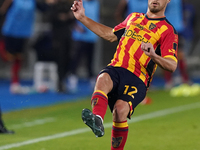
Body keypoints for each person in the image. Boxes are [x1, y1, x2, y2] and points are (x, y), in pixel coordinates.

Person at [71, 0, 178, 149]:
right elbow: (110, 35)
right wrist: (82, 17)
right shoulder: (133, 17)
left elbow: (172, 65)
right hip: (117, 67)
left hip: (138, 78)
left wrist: (153, 55)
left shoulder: (168, 30)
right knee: (102, 79)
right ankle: (97, 119)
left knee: (119, 111)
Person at [68, 0, 100, 92]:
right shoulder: (80, 2)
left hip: (92, 36)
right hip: (80, 37)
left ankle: (92, 81)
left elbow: (97, 17)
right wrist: (77, 27)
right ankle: (72, 79)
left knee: (90, 60)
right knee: (76, 59)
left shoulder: (96, 3)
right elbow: (72, 17)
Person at [47, 0, 75, 93]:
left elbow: (72, 18)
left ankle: (64, 80)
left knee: (68, 59)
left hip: (67, 37)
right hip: (58, 38)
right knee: (60, 60)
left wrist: (67, 17)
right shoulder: (54, 7)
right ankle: (60, 83)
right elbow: (52, 18)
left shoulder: (67, 6)